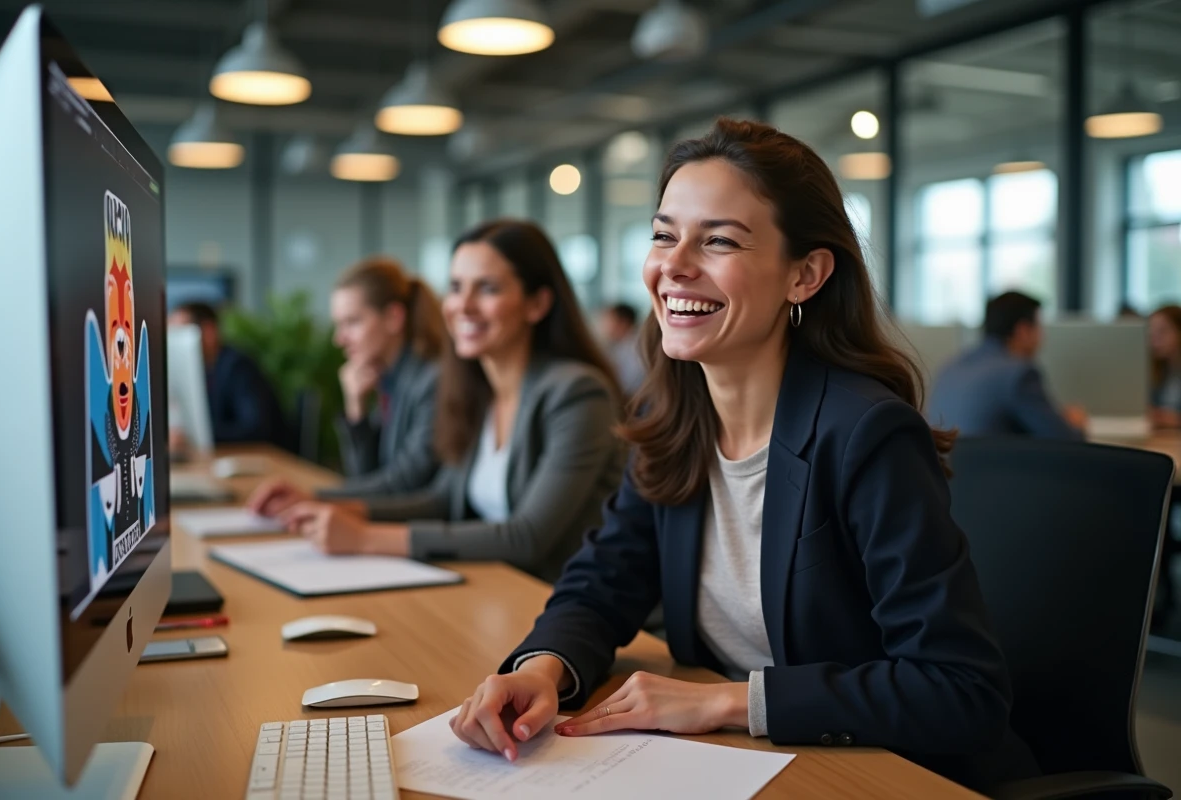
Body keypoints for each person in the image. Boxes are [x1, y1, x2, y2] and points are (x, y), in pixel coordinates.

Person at [448, 119, 1036, 794]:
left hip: (883, 776)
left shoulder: (867, 434)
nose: (673, 264)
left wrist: (728, 702)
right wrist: (542, 669)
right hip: (747, 768)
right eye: (664, 235)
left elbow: (960, 691)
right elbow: (600, 584)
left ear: (805, 274)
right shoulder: (675, 420)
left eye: (718, 240)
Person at [277, 219, 626, 583]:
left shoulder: (577, 394)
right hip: (504, 592)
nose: (463, 305)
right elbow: (440, 500)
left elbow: (527, 537)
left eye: (487, 289)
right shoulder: (480, 391)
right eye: (456, 287)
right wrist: (330, 505)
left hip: (567, 604)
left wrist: (365, 538)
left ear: (537, 304)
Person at [248, 258, 444, 513]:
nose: (339, 339)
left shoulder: (432, 380)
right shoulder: (389, 379)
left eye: (352, 322)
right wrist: (357, 409)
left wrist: (313, 496)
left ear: (394, 318)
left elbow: (404, 482)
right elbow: (364, 479)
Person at [927, 292, 1086, 439]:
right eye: (1039, 328)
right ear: (1023, 330)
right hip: (989, 468)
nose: (1042, 337)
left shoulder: (950, 367)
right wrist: (1076, 424)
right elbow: (1065, 440)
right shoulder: (1019, 374)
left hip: (946, 468)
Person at [167, 301, 288, 447]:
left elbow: (256, 428)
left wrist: (196, 438)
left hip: (266, 458)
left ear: (208, 331)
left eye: (182, 334)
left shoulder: (238, 367)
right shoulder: (200, 372)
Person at [598, 302, 646, 395]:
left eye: (608, 320)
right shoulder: (619, 345)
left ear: (623, 322)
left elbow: (628, 385)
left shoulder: (636, 348)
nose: (603, 326)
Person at [1148, 305, 1181, 429]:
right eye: (1151, 333)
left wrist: (1177, 420)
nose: (1155, 339)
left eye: (1162, 331)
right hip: (1163, 438)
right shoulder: (1156, 370)